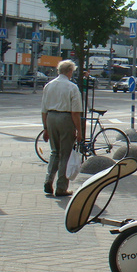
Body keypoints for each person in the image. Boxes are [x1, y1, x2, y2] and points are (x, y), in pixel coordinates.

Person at [41, 59, 82, 197]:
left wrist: (45, 128)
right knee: (65, 153)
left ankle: (48, 180)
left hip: (51, 118)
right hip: (65, 119)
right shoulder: (72, 87)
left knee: (54, 152)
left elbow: (44, 109)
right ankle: (61, 187)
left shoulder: (49, 86)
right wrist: (79, 131)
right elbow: (75, 112)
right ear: (70, 71)